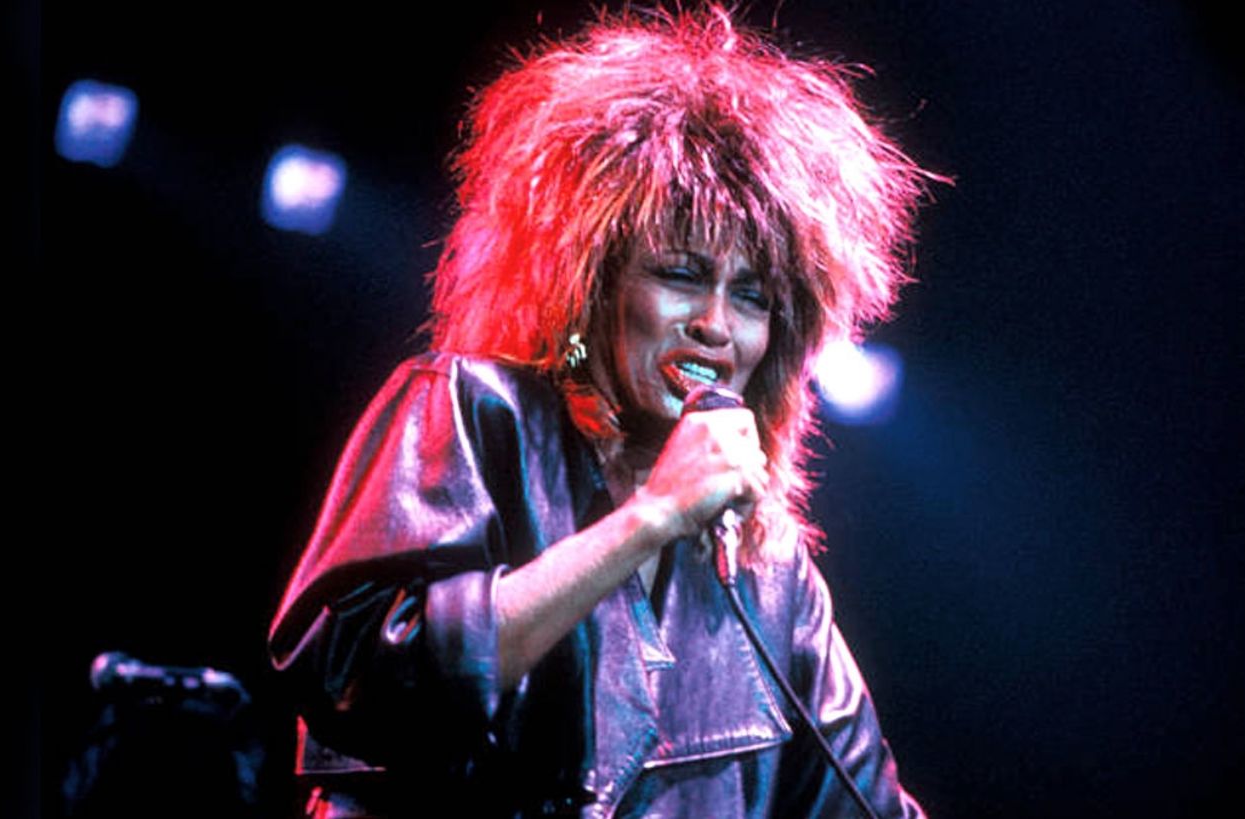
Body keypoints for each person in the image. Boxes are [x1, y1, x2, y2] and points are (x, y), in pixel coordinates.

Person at [268, 6, 934, 817]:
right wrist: (648, 518)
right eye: (681, 274)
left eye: (752, 295)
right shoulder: (474, 413)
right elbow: (354, 679)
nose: (716, 324)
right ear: (591, 283)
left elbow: (864, 802)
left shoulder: (769, 572)